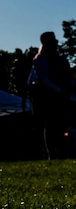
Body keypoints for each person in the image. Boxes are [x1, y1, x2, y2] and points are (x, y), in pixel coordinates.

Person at [28, 31, 76, 159]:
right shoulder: (40, 59)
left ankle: (64, 151)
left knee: (63, 123)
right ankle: (52, 154)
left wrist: (71, 88)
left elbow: (69, 77)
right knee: (50, 124)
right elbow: (43, 78)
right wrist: (58, 91)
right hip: (48, 96)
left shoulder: (61, 59)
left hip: (63, 94)